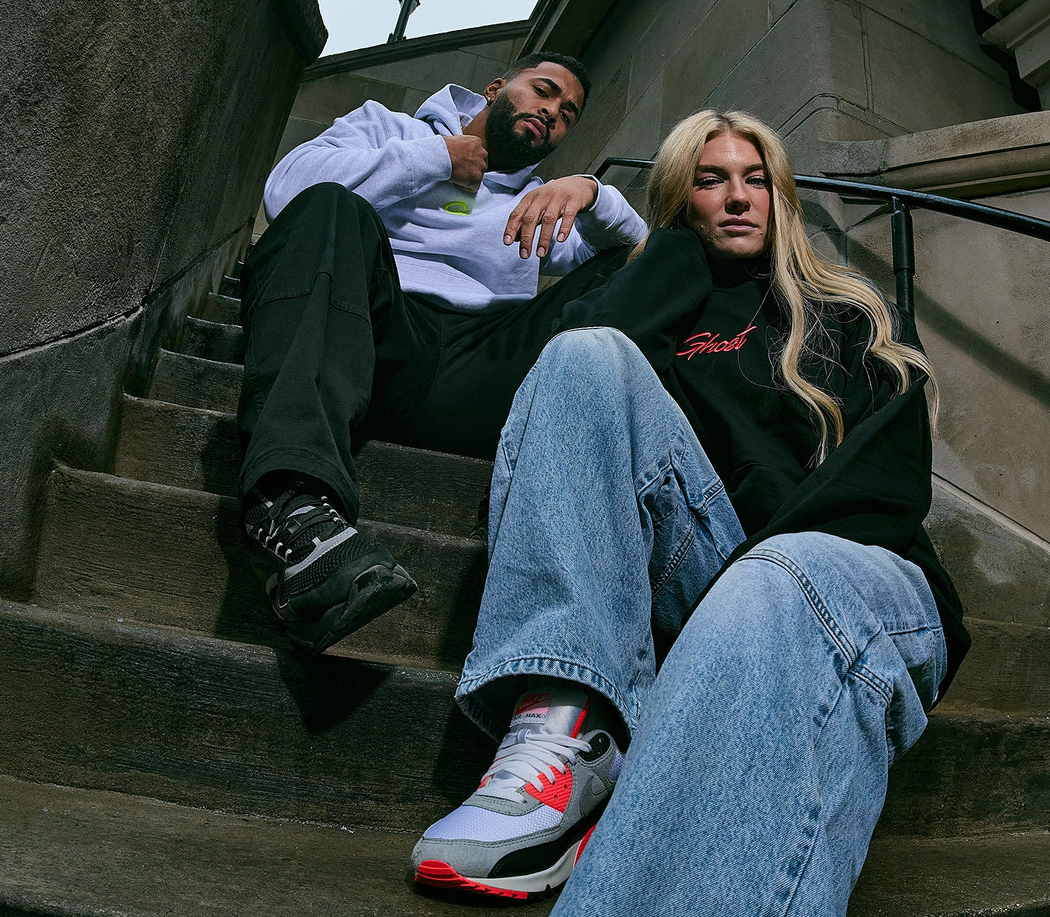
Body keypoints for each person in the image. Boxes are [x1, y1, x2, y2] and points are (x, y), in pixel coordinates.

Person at [407, 110, 971, 914]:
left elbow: (885, 481)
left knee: (780, 576)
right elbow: (561, 419)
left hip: (846, 572)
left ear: (782, 197)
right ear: (681, 198)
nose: (737, 197)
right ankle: (571, 728)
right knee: (583, 355)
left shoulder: (849, 313)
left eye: (756, 179)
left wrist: (743, 596)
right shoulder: (660, 295)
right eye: (710, 181)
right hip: (710, 575)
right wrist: (671, 254)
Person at [236, 53, 648, 654]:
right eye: (543, 91)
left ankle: (583, 533)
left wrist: (591, 192)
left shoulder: (537, 202)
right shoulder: (389, 128)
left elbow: (638, 258)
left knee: (646, 272)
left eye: (567, 114)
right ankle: (292, 510)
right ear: (496, 88)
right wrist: (435, 159)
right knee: (330, 204)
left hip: (482, 365)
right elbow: (287, 190)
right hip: (374, 337)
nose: (552, 113)